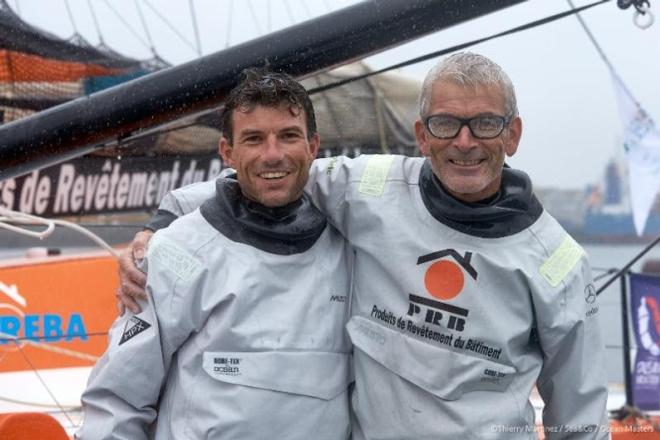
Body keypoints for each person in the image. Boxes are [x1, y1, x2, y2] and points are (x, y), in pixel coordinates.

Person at [119, 52, 609, 439]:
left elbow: (582, 421)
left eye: (485, 123)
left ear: (514, 134)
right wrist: (163, 220)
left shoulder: (558, 264)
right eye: (444, 124)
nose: (464, 142)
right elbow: (274, 176)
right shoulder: (371, 189)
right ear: (421, 135)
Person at [78, 69, 353, 440]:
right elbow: (116, 400)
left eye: (288, 136)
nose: (272, 154)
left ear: (313, 147)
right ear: (228, 152)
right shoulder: (177, 252)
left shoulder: (351, 246)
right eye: (253, 139)